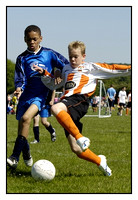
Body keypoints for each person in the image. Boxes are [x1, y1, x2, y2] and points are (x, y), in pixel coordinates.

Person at [34, 41, 131, 176]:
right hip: (68, 105)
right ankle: (100, 161)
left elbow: (113, 68)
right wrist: (44, 73)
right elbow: (54, 84)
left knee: (55, 108)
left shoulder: (90, 67)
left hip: (80, 100)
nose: (73, 59)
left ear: (83, 56)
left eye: (76, 56)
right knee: (76, 149)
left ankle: (80, 137)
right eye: (70, 56)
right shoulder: (66, 69)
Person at [7, 25, 69, 169]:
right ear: (24, 40)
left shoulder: (49, 54)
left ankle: (14, 157)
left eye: (35, 39)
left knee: (27, 118)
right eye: (29, 40)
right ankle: (27, 154)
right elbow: (20, 78)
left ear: (41, 38)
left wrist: (58, 70)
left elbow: (65, 64)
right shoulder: (21, 58)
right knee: (21, 128)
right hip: (25, 95)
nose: (32, 42)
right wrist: (18, 88)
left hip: (40, 95)